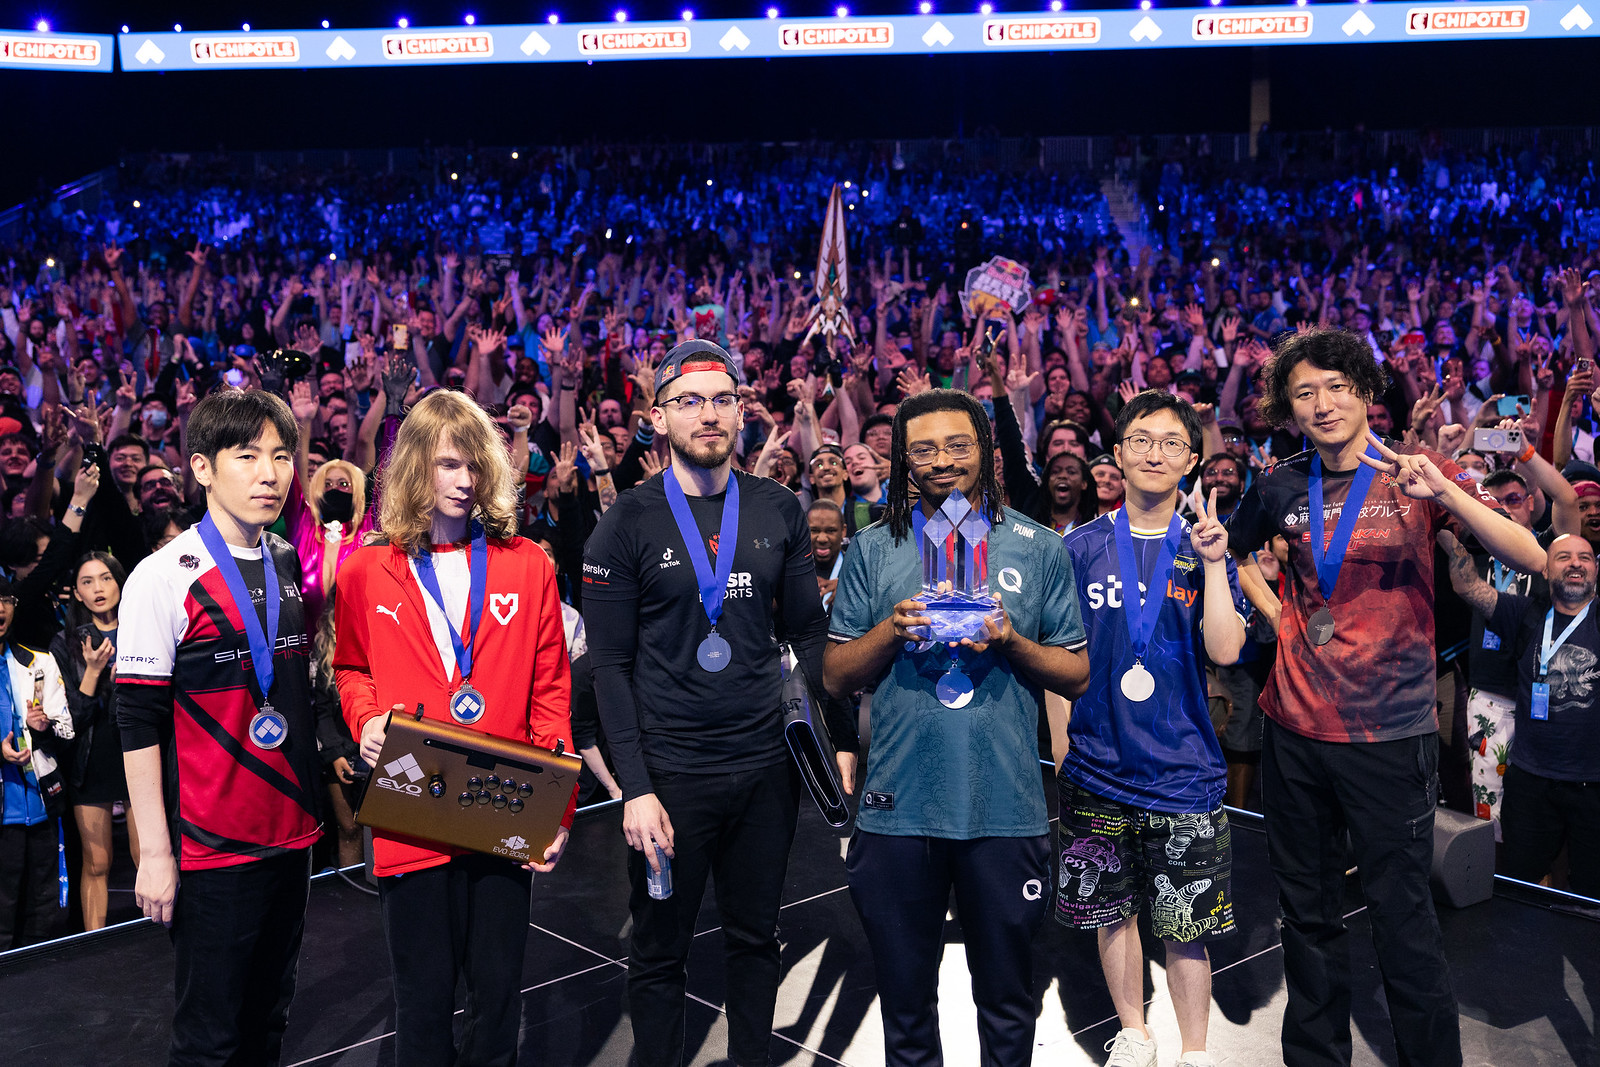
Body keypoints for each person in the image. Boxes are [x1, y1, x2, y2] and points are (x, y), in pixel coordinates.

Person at [1224, 327, 1544, 1067]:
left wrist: (1450, 500)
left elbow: (1527, 553)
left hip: (1389, 735)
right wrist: (1275, 615)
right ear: (1288, 406)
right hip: (1294, 732)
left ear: (1366, 391)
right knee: (1306, 916)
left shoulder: (1417, 468)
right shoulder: (1277, 485)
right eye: (1305, 392)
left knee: (1403, 921)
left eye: (1337, 386)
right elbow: (1238, 552)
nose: (1323, 403)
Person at [583, 339, 855, 1067]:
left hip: (765, 768)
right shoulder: (627, 522)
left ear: (743, 410)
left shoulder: (776, 508)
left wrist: (842, 739)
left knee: (755, 936)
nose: (709, 414)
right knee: (660, 948)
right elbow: (607, 666)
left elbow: (807, 630)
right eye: (690, 400)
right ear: (657, 417)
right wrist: (634, 788)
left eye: (723, 398)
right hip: (670, 775)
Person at [823, 388, 1090, 1067]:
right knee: (906, 1006)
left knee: (1007, 1002)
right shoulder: (870, 548)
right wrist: (893, 628)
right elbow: (834, 675)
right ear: (904, 459)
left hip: (1005, 808)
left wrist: (1011, 641)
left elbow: (1076, 672)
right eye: (925, 448)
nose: (942, 461)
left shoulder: (1039, 547)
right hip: (896, 810)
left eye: (958, 444)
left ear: (988, 452)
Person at [334, 388, 575, 1067]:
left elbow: (551, 693)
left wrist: (557, 809)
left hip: (504, 802)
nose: (465, 480)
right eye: (447, 464)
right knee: (423, 999)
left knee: (499, 997)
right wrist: (365, 718)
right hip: (411, 804)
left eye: (474, 464)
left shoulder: (527, 564)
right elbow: (350, 667)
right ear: (414, 467)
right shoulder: (363, 569)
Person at [116, 388, 322, 1066]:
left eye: (280, 455)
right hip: (212, 847)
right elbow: (138, 719)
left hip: (291, 833)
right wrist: (153, 851)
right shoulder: (161, 577)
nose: (270, 472)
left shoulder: (289, 560)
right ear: (201, 467)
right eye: (247, 455)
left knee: (270, 1020)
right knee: (209, 1038)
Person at [1057, 390, 1247, 1067]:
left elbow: (1226, 650)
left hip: (1184, 770)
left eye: (1171, 442)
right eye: (1141, 439)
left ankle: (1195, 1050)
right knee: (1113, 912)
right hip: (1098, 768)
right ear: (1117, 453)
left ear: (1192, 459)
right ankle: (1134, 1033)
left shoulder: (1205, 547)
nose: (1154, 452)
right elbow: (1061, 652)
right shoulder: (1078, 548)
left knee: (1186, 925)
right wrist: (1061, 746)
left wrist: (1221, 563)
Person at [1441, 531, 1600, 897]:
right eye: (1563, 557)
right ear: (1544, 569)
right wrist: (1448, 530)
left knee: (1592, 894)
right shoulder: (1525, 614)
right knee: (1520, 884)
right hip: (1532, 780)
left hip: (1593, 784)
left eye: (1585, 557)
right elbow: (1467, 586)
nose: (1576, 563)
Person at [51, 552, 133, 931]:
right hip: (90, 756)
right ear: (77, 594)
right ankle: (93, 944)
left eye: (105, 578)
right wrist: (94, 672)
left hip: (137, 750)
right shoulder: (64, 643)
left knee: (145, 853)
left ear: (120, 582)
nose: (98, 588)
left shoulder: (141, 628)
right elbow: (72, 720)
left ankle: (163, 936)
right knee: (96, 861)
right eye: (87, 582)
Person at [0, 573, 73, 949]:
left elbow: (67, 729)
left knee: (41, 909)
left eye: (6, 600)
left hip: (40, 801)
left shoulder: (39, 662)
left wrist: (42, 728)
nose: (0, 609)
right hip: (4, 809)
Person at [808, 499, 847, 609]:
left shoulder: (856, 572)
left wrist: (847, 587)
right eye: (814, 530)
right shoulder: (794, 571)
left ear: (843, 531)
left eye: (830, 531)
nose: (822, 539)